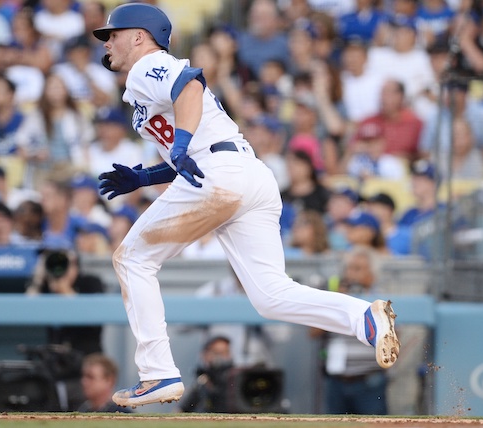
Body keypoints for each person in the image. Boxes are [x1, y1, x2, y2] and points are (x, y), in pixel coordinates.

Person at [92, 3, 400, 409]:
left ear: (139, 36)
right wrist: (145, 177)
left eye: (114, 33)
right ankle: (362, 318)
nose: (108, 41)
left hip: (221, 174)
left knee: (133, 259)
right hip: (246, 175)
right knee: (270, 295)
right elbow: (190, 143)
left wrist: (181, 148)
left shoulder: (148, 64)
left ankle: (157, 373)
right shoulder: (142, 82)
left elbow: (191, 86)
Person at [310, 246, 388, 415]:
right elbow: (313, 333)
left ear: (372, 275)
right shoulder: (336, 298)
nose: (350, 274)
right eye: (349, 268)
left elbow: (391, 341)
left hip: (368, 381)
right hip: (336, 381)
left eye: (357, 269)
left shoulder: (381, 301)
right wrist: (335, 303)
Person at [26, 246, 105, 356]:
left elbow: (93, 317)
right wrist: (39, 276)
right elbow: (28, 307)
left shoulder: (90, 282)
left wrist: (65, 290)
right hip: (55, 356)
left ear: (74, 263)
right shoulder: (47, 285)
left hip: (86, 354)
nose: (58, 266)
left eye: (62, 262)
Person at [178, 336, 235, 413]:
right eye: (218, 353)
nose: (222, 357)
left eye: (225, 352)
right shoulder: (202, 382)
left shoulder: (236, 380)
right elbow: (182, 409)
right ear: (206, 355)